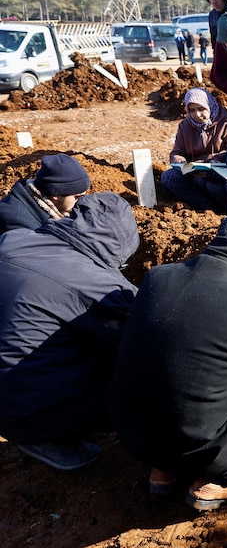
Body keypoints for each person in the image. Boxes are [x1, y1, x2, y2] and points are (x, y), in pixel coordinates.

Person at [109, 212, 227, 509]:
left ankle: (163, 473)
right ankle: (218, 481)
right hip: (200, 449)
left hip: (131, 432)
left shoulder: (158, 276)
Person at [0, 192, 139, 470]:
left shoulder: (12, 240)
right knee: (132, 369)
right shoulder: (97, 285)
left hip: (10, 387)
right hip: (23, 410)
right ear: (120, 242)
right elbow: (143, 336)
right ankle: (47, 436)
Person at [160, 87, 227, 211]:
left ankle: (224, 208)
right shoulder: (184, 126)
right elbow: (178, 151)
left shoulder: (226, 122)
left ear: (210, 105)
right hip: (195, 172)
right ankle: (206, 207)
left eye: (201, 109)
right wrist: (181, 163)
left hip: (221, 170)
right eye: (192, 110)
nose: (197, 114)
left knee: (211, 185)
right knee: (169, 177)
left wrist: (210, 162)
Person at [0, 153, 90, 235]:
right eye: (77, 197)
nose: (81, 202)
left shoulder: (41, 207)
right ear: (56, 195)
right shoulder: (18, 224)